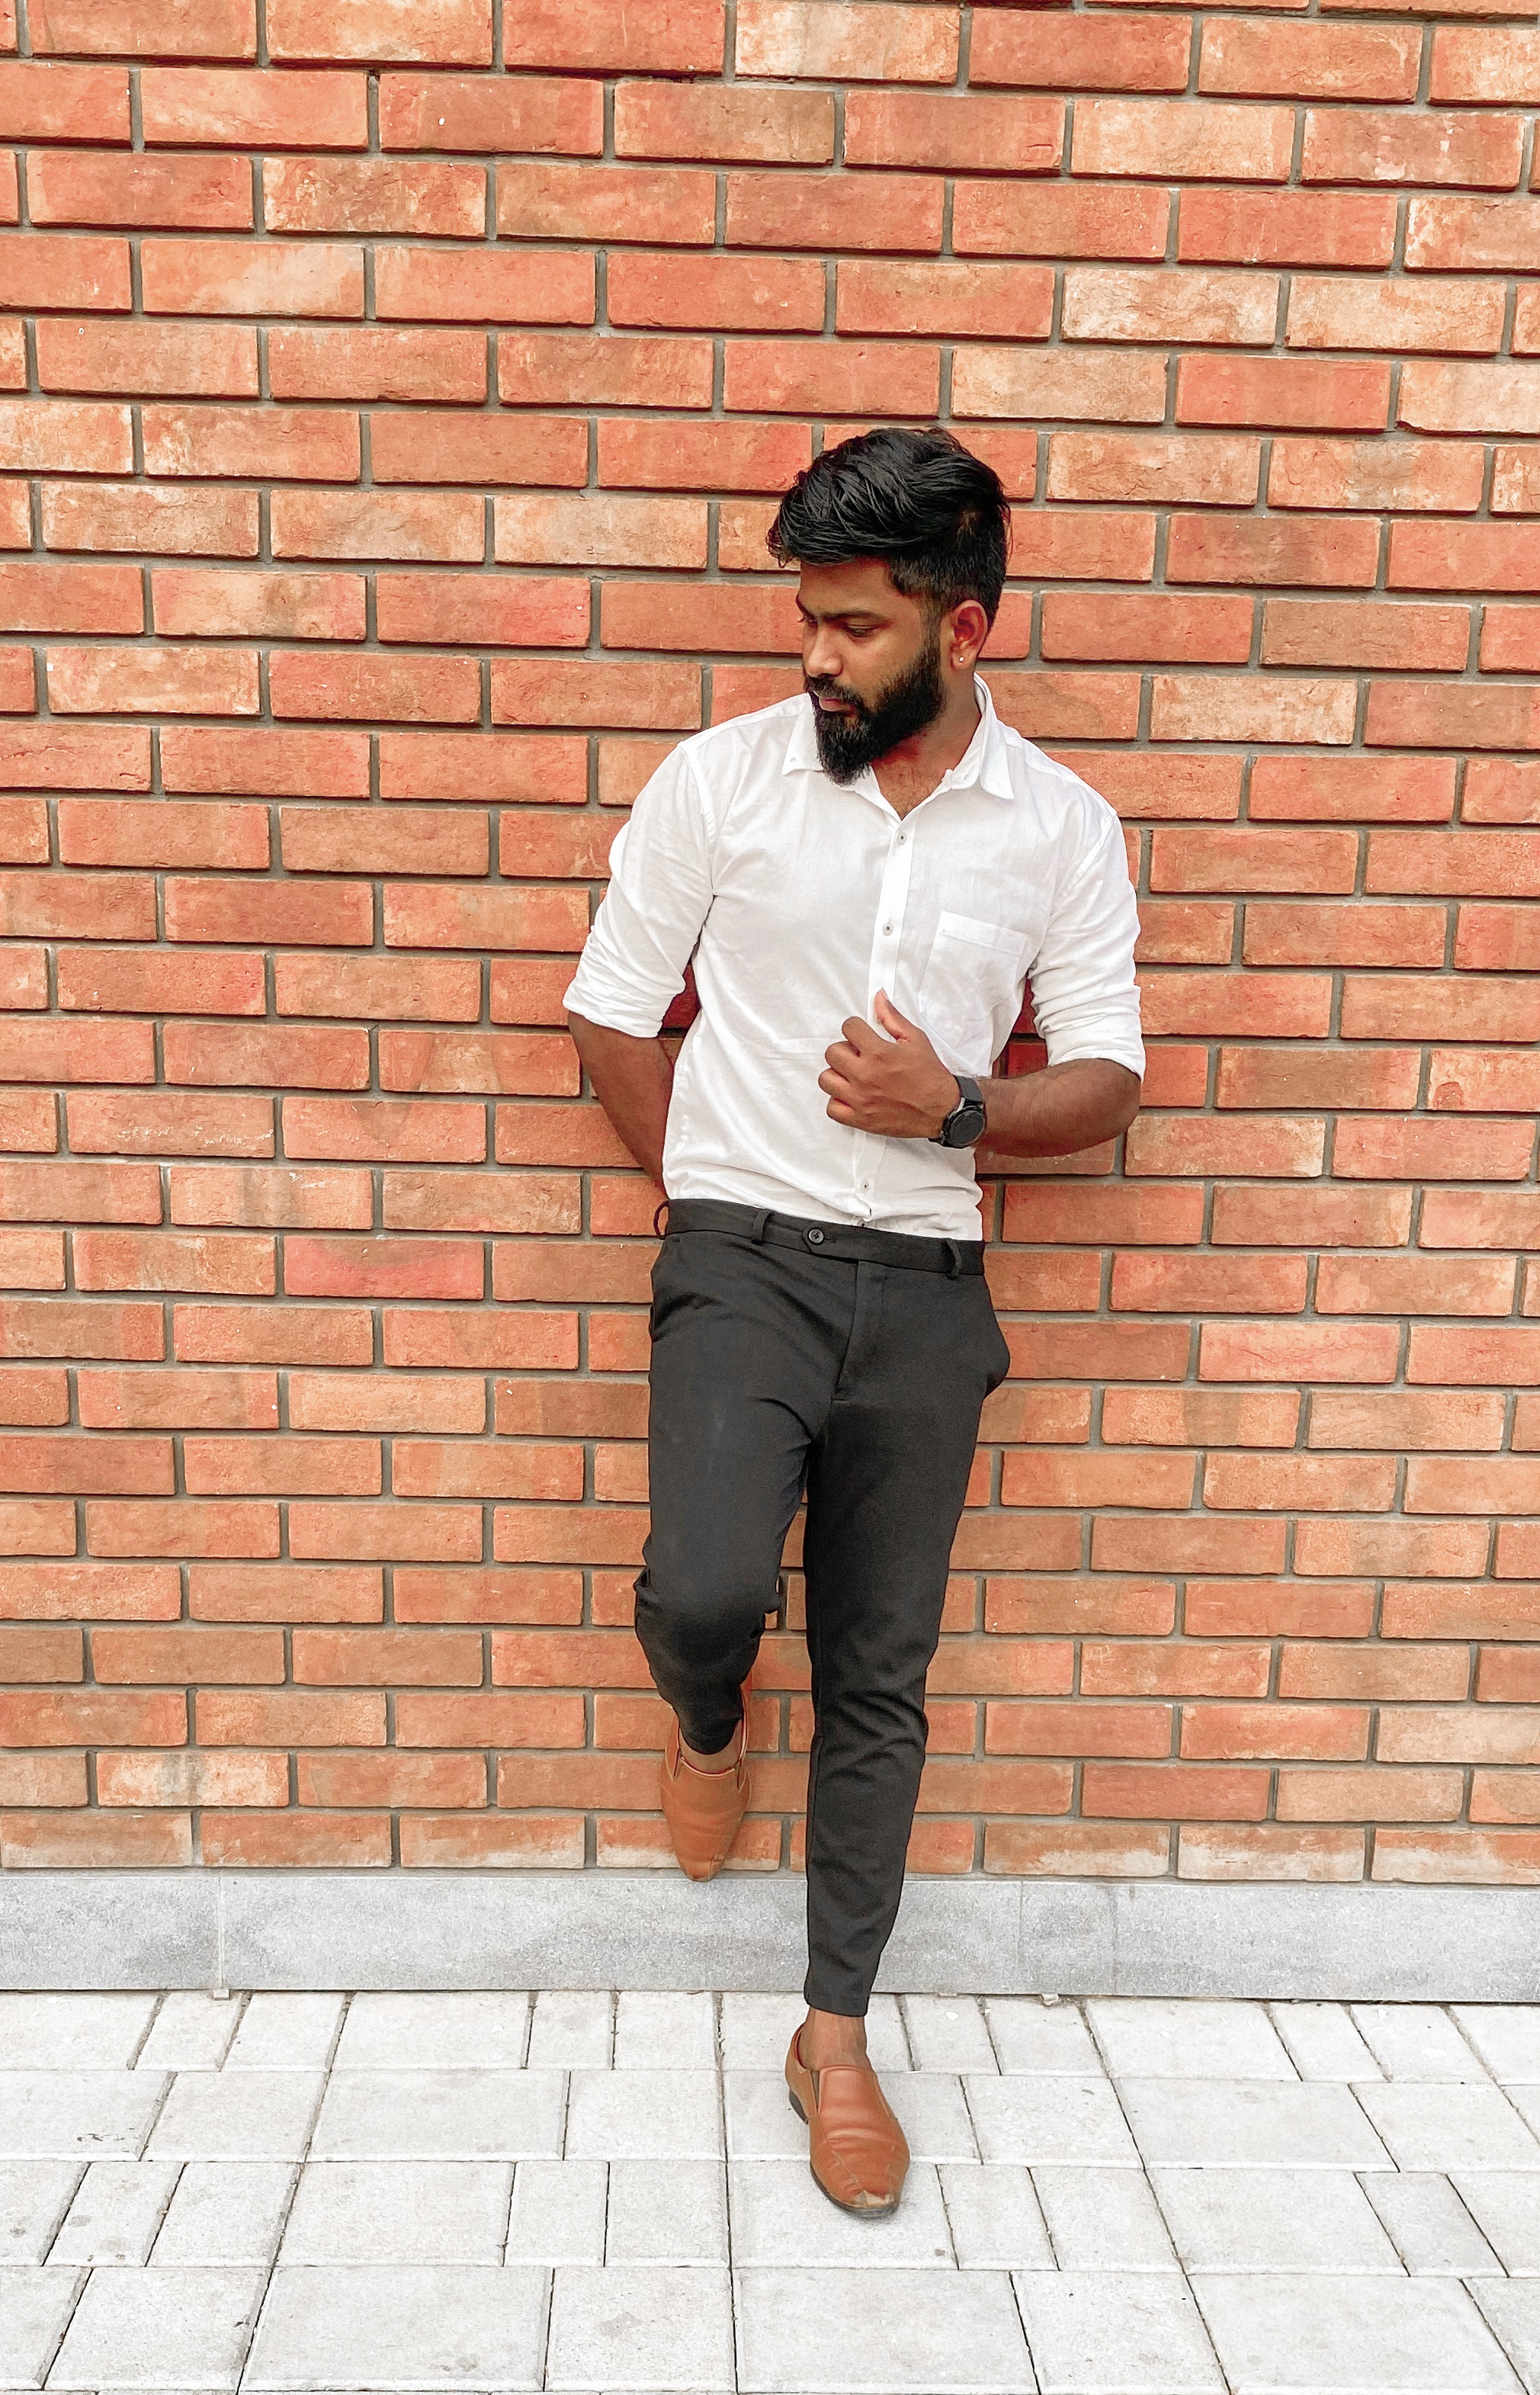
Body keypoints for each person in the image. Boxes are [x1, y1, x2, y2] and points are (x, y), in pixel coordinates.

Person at [563, 426, 1144, 2215]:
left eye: (854, 626)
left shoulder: (1059, 826)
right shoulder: (721, 781)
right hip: (741, 1260)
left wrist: (953, 1106)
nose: (815, 654)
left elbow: (1106, 1076)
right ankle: (708, 1717)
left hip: (927, 1293)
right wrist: (702, 1200)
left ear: (963, 627)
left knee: (880, 1673)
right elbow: (610, 1010)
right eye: (805, 618)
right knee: (703, 1590)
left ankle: (833, 2034)